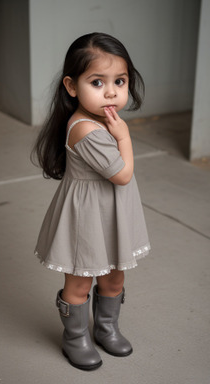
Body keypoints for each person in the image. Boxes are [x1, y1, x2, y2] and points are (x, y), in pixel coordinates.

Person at [31, 32, 151, 371]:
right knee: (81, 281)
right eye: (97, 82)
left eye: (120, 81)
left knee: (114, 276)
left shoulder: (103, 119)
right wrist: (124, 137)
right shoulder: (87, 130)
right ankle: (75, 337)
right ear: (71, 86)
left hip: (111, 213)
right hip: (87, 218)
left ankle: (107, 327)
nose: (111, 91)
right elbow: (123, 175)